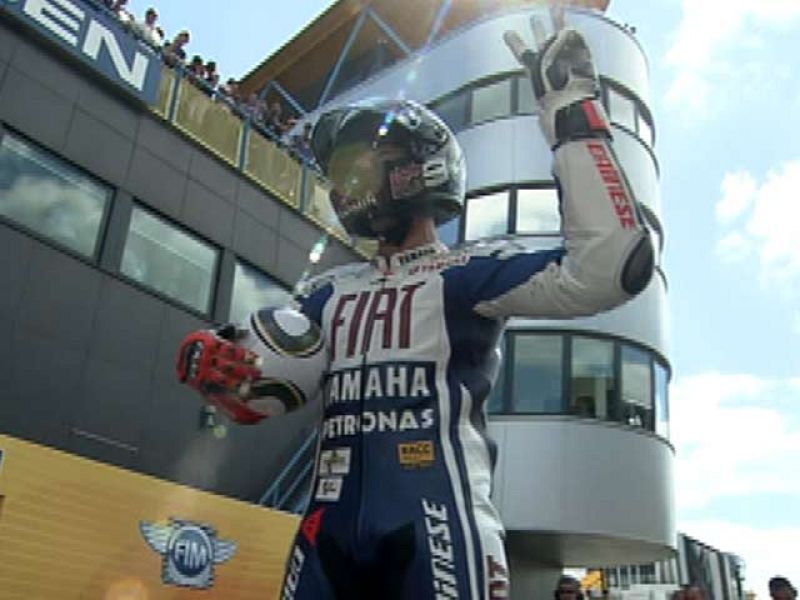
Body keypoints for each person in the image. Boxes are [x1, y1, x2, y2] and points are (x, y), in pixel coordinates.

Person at [176, 13, 653, 599]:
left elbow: (612, 267)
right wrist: (227, 371)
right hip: (326, 525)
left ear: (417, 169)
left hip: (439, 524)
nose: (343, 186)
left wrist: (572, 112)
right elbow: (261, 397)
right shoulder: (327, 293)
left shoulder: (467, 273)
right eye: (340, 173)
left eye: (358, 166)